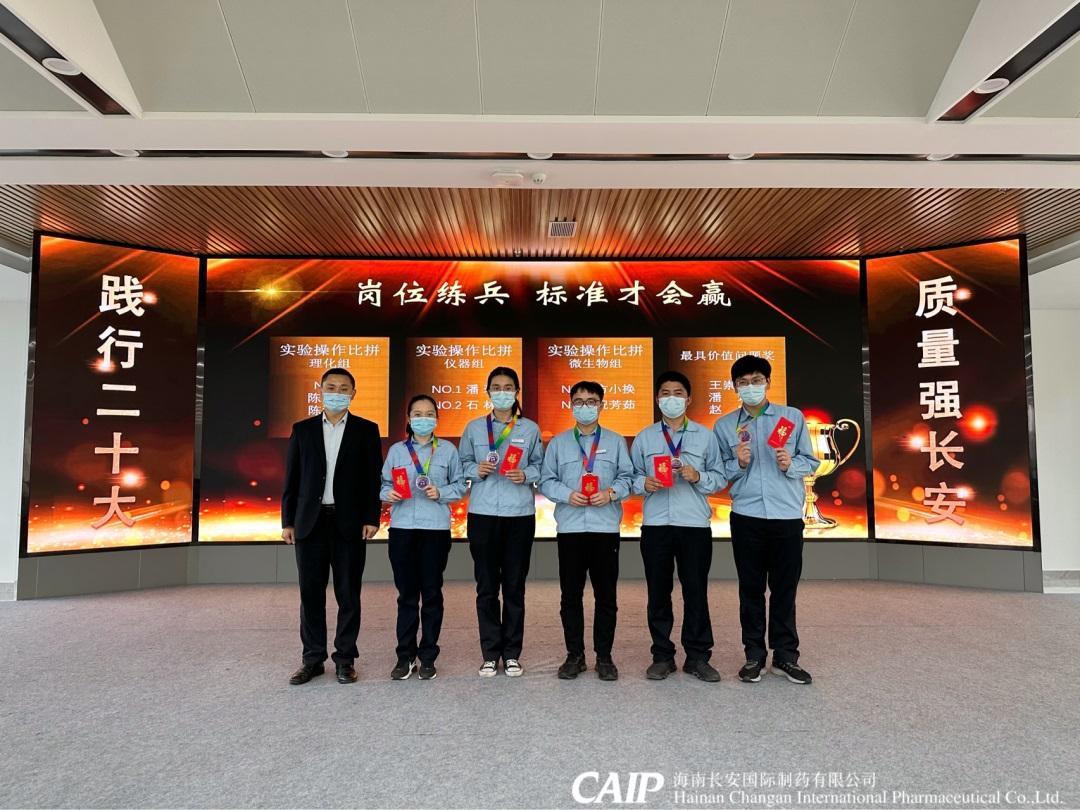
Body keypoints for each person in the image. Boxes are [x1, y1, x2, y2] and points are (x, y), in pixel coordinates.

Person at [714, 355, 820, 685]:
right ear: (734, 387)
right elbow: (719, 475)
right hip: (746, 516)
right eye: (743, 382)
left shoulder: (791, 417)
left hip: (786, 515)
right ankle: (754, 655)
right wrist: (738, 464)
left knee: (785, 588)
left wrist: (791, 464)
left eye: (756, 380)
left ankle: (786, 656)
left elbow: (811, 461)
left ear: (768, 383)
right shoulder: (725, 426)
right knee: (751, 589)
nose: (750, 387)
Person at [281, 367, 383, 686]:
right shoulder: (303, 430)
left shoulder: (367, 430)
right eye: (331, 387)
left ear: (353, 393)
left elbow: (373, 479)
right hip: (309, 522)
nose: (337, 393)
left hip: (349, 522)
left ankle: (345, 659)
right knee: (310, 594)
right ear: (321, 390)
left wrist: (372, 517)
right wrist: (288, 521)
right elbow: (292, 479)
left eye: (343, 388)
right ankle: (312, 659)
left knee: (348, 594)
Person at [630, 371, 726, 682]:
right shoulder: (645, 437)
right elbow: (630, 478)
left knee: (695, 591)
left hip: (694, 524)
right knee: (658, 592)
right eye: (665, 393)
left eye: (678, 393)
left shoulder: (705, 436)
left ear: (688, 399)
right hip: (656, 524)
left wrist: (698, 476)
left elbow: (720, 478)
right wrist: (644, 484)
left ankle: (698, 657)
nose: (671, 398)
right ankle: (662, 655)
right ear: (657, 399)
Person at [540, 381, 634, 682]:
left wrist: (612, 493)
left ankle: (604, 656)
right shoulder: (558, 443)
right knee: (570, 596)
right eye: (579, 401)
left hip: (605, 527)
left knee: (606, 597)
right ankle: (575, 656)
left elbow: (628, 477)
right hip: (570, 528)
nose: (585, 407)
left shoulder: (616, 442)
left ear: (601, 406)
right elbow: (546, 480)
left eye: (591, 401)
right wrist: (567, 494)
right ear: (571, 406)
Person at [459, 367, 544, 678]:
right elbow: (462, 464)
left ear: (517, 392)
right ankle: (489, 653)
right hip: (482, 514)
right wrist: (476, 469)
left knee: (514, 586)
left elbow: (541, 467)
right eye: (496, 387)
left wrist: (527, 474)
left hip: (519, 515)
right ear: (488, 392)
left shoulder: (530, 428)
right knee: (486, 587)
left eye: (508, 387)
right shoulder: (473, 428)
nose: (502, 392)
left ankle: (511, 654)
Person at [380, 395, 466, 681]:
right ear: (408, 419)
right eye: (417, 414)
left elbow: (460, 486)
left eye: (429, 414)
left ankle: (428, 656)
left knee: (431, 594)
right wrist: (388, 494)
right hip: (403, 528)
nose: (423, 418)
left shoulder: (448, 450)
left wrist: (441, 492)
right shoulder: (397, 451)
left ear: (437, 419)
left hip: (435, 530)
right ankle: (404, 656)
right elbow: (383, 484)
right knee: (406, 596)